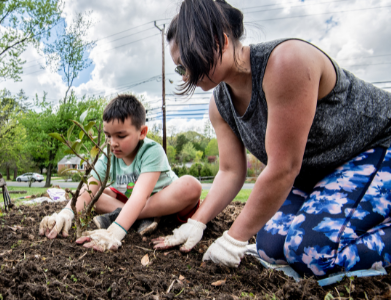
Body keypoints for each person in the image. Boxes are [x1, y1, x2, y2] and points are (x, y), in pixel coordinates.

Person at [153, 0, 391, 277]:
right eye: (180, 69)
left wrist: (233, 240)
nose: (188, 75)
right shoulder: (220, 103)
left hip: (378, 148)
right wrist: (197, 222)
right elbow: (230, 172)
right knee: (271, 247)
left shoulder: (286, 62)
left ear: (221, 41)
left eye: (189, 62)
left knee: (312, 253)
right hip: (324, 172)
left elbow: (283, 168)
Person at [38, 94, 202, 252]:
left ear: (142, 132)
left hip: (166, 204)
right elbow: (90, 187)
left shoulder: (152, 151)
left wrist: (113, 232)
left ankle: (124, 216)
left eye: (121, 136)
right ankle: (139, 219)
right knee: (93, 196)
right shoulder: (108, 153)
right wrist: (66, 214)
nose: (113, 143)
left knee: (191, 185)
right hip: (131, 204)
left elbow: (140, 196)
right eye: (108, 135)